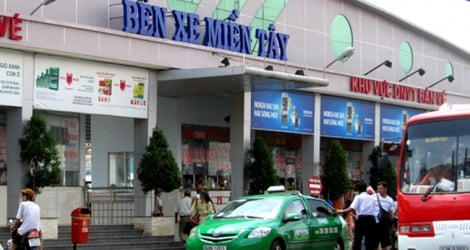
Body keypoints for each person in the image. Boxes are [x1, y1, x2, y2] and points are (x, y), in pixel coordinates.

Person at [337, 181, 377, 250]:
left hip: (362, 220)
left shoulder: (358, 197)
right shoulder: (372, 197)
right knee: (369, 241)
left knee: (358, 239)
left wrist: (340, 211)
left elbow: (352, 208)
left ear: (358, 189)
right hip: (371, 219)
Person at [373, 181, 396, 250]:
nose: (379, 190)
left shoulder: (390, 200)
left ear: (385, 189)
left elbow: (391, 214)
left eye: (380, 188)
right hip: (374, 223)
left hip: (384, 224)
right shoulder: (374, 197)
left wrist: (391, 226)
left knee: (384, 245)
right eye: (378, 189)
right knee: (374, 245)